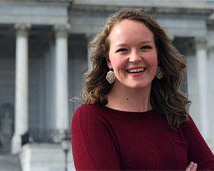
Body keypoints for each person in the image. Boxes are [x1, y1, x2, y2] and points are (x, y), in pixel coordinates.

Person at [71, 9, 214, 170]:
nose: (135, 58)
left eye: (145, 47)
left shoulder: (175, 116)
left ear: (158, 56)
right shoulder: (91, 118)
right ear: (109, 61)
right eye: (122, 50)